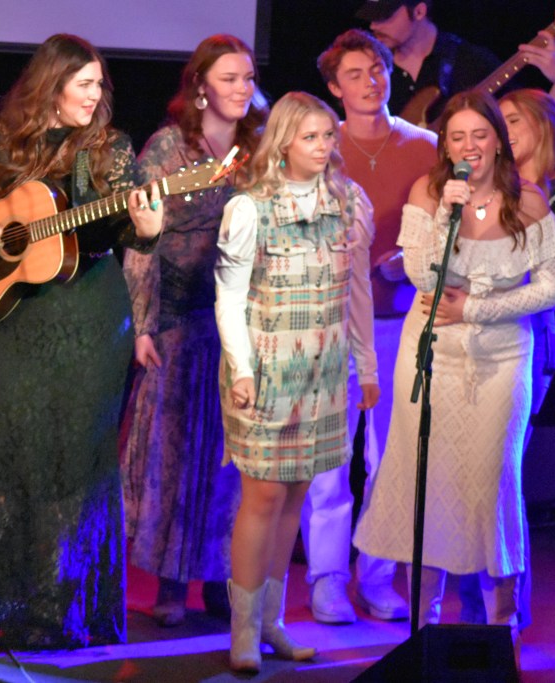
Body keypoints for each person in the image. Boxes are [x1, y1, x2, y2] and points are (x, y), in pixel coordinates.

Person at [0, 33, 164, 650]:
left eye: (99, 85)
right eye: (84, 84)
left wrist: (148, 228)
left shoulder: (110, 149)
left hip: (87, 320)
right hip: (3, 324)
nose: (95, 95)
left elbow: (129, 231)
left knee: (71, 460)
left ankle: (55, 611)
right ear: (51, 84)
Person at [354, 90, 555, 665]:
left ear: (498, 140)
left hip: (502, 360)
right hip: (431, 356)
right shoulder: (428, 193)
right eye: (457, 137)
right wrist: (445, 215)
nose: (469, 146)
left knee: (492, 486)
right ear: (444, 146)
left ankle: (503, 627)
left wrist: (474, 307)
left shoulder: (528, 200)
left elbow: (551, 289)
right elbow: (422, 275)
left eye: (479, 134)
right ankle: (423, 631)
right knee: (425, 485)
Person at [215, 91, 378, 673]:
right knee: (262, 496)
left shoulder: (348, 201)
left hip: (324, 369)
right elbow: (229, 297)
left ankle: (272, 623)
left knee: (295, 497)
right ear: (283, 142)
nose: (323, 146)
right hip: (266, 367)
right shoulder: (250, 207)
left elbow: (357, 286)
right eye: (310, 137)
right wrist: (241, 369)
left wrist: (366, 365)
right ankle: (241, 632)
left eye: (328, 136)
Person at [121, 34, 266, 627]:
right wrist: (142, 325)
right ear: (201, 86)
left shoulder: (261, 146)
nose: (242, 88)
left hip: (244, 322)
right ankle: (173, 581)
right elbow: (142, 239)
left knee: (232, 462)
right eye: (229, 78)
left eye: (248, 78)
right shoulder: (168, 148)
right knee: (175, 454)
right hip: (180, 318)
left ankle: (223, 579)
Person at [455, 87, 555, 628]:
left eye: (514, 120)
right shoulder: (490, 189)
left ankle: (504, 619)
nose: (504, 130)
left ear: (543, 126)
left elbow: (532, 278)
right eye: (501, 121)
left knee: (496, 480)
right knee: (468, 480)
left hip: (525, 345)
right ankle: (473, 614)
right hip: (469, 343)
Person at [314, 27, 438, 622]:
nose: (370, 82)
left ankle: (378, 575)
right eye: (356, 74)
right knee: (329, 460)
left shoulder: (425, 146)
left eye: (378, 69)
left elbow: (449, 229)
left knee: (390, 457)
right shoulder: (319, 144)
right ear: (335, 87)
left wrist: (412, 261)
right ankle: (326, 579)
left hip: (399, 320)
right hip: (330, 323)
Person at [354, 0, 555, 125]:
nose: (373, 25)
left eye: (384, 16)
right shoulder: (375, 73)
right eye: (372, 18)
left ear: (419, 11)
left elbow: (535, 130)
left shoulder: (472, 62)